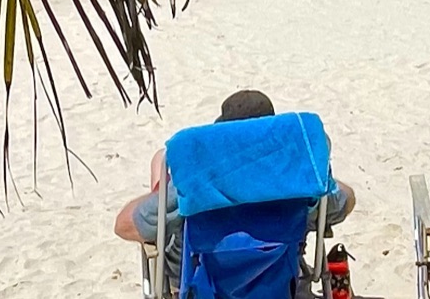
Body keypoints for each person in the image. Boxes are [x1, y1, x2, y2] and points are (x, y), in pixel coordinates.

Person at [113, 88, 356, 245]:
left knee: (161, 159)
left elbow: (123, 225)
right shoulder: (295, 183)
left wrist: (160, 195)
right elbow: (346, 201)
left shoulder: (199, 183)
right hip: (276, 288)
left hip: (204, 293)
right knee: (160, 159)